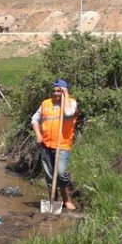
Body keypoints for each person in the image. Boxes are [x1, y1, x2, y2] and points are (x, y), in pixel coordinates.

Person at [31, 79, 81, 211]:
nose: (56, 93)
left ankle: (67, 199)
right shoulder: (45, 104)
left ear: (64, 91)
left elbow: (68, 114)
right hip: (47, 144)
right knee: (49, 175)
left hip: (62, 145)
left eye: (59, 91)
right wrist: (38, 135)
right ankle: (53, 199)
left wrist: (66, 95)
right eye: (54, 91)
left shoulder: (71, 103)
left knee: (60, 173)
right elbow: (34, 120)